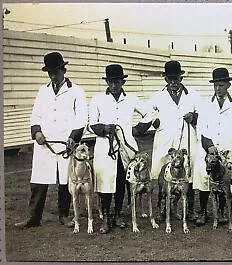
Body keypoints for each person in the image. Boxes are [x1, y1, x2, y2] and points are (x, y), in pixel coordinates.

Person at [15, 52, 88, 228]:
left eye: (56, 71)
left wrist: (73, 137)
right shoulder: (43, 91)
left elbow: (82, 118)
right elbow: (36, 115)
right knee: (39, 180)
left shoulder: (76, 91)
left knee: (65, 180)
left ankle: (64, 215)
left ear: (64, 69)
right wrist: (37, 132)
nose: (53, 76)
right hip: (44, 143)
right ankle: (33, 217)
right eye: (50, 72)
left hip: (65, 143)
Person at [132, 60, 199, 221]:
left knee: (188, 174)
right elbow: (147, 115)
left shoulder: (193, 95)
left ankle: (188, 210)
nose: (173, 82)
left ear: (181, 78)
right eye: (170, 79)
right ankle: (162, 208)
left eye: (176, 78)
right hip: (165, 140)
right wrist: (151, 123)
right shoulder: (157, 96)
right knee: (163, 176)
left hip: (186, 141)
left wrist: (194, 117)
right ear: (165, 79)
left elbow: (204, 116)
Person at [88, 64, 150, 234]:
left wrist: (137, 130)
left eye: (117, 82)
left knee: (122, 180)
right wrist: (105, 128)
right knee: (106, 180)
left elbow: (150, 113)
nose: (114, 85)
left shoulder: (131, 99)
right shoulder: (97, 99)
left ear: (122, 82)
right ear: (107, 82)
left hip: (127, 147)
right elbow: (91, 123)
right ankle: (106, 217)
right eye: (110, 82)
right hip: (105, 147)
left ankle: (118, 214)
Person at [194, 67, 232, 226]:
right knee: (205, 179)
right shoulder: (205, 105)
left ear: (228, 85)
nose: (218, 89)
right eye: (215, 85)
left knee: (224, 180)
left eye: (221, 85)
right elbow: (201, 128)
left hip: (227, 150)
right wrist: (208, 145)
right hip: (208, 150)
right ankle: (202, 211)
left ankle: (222, 212)